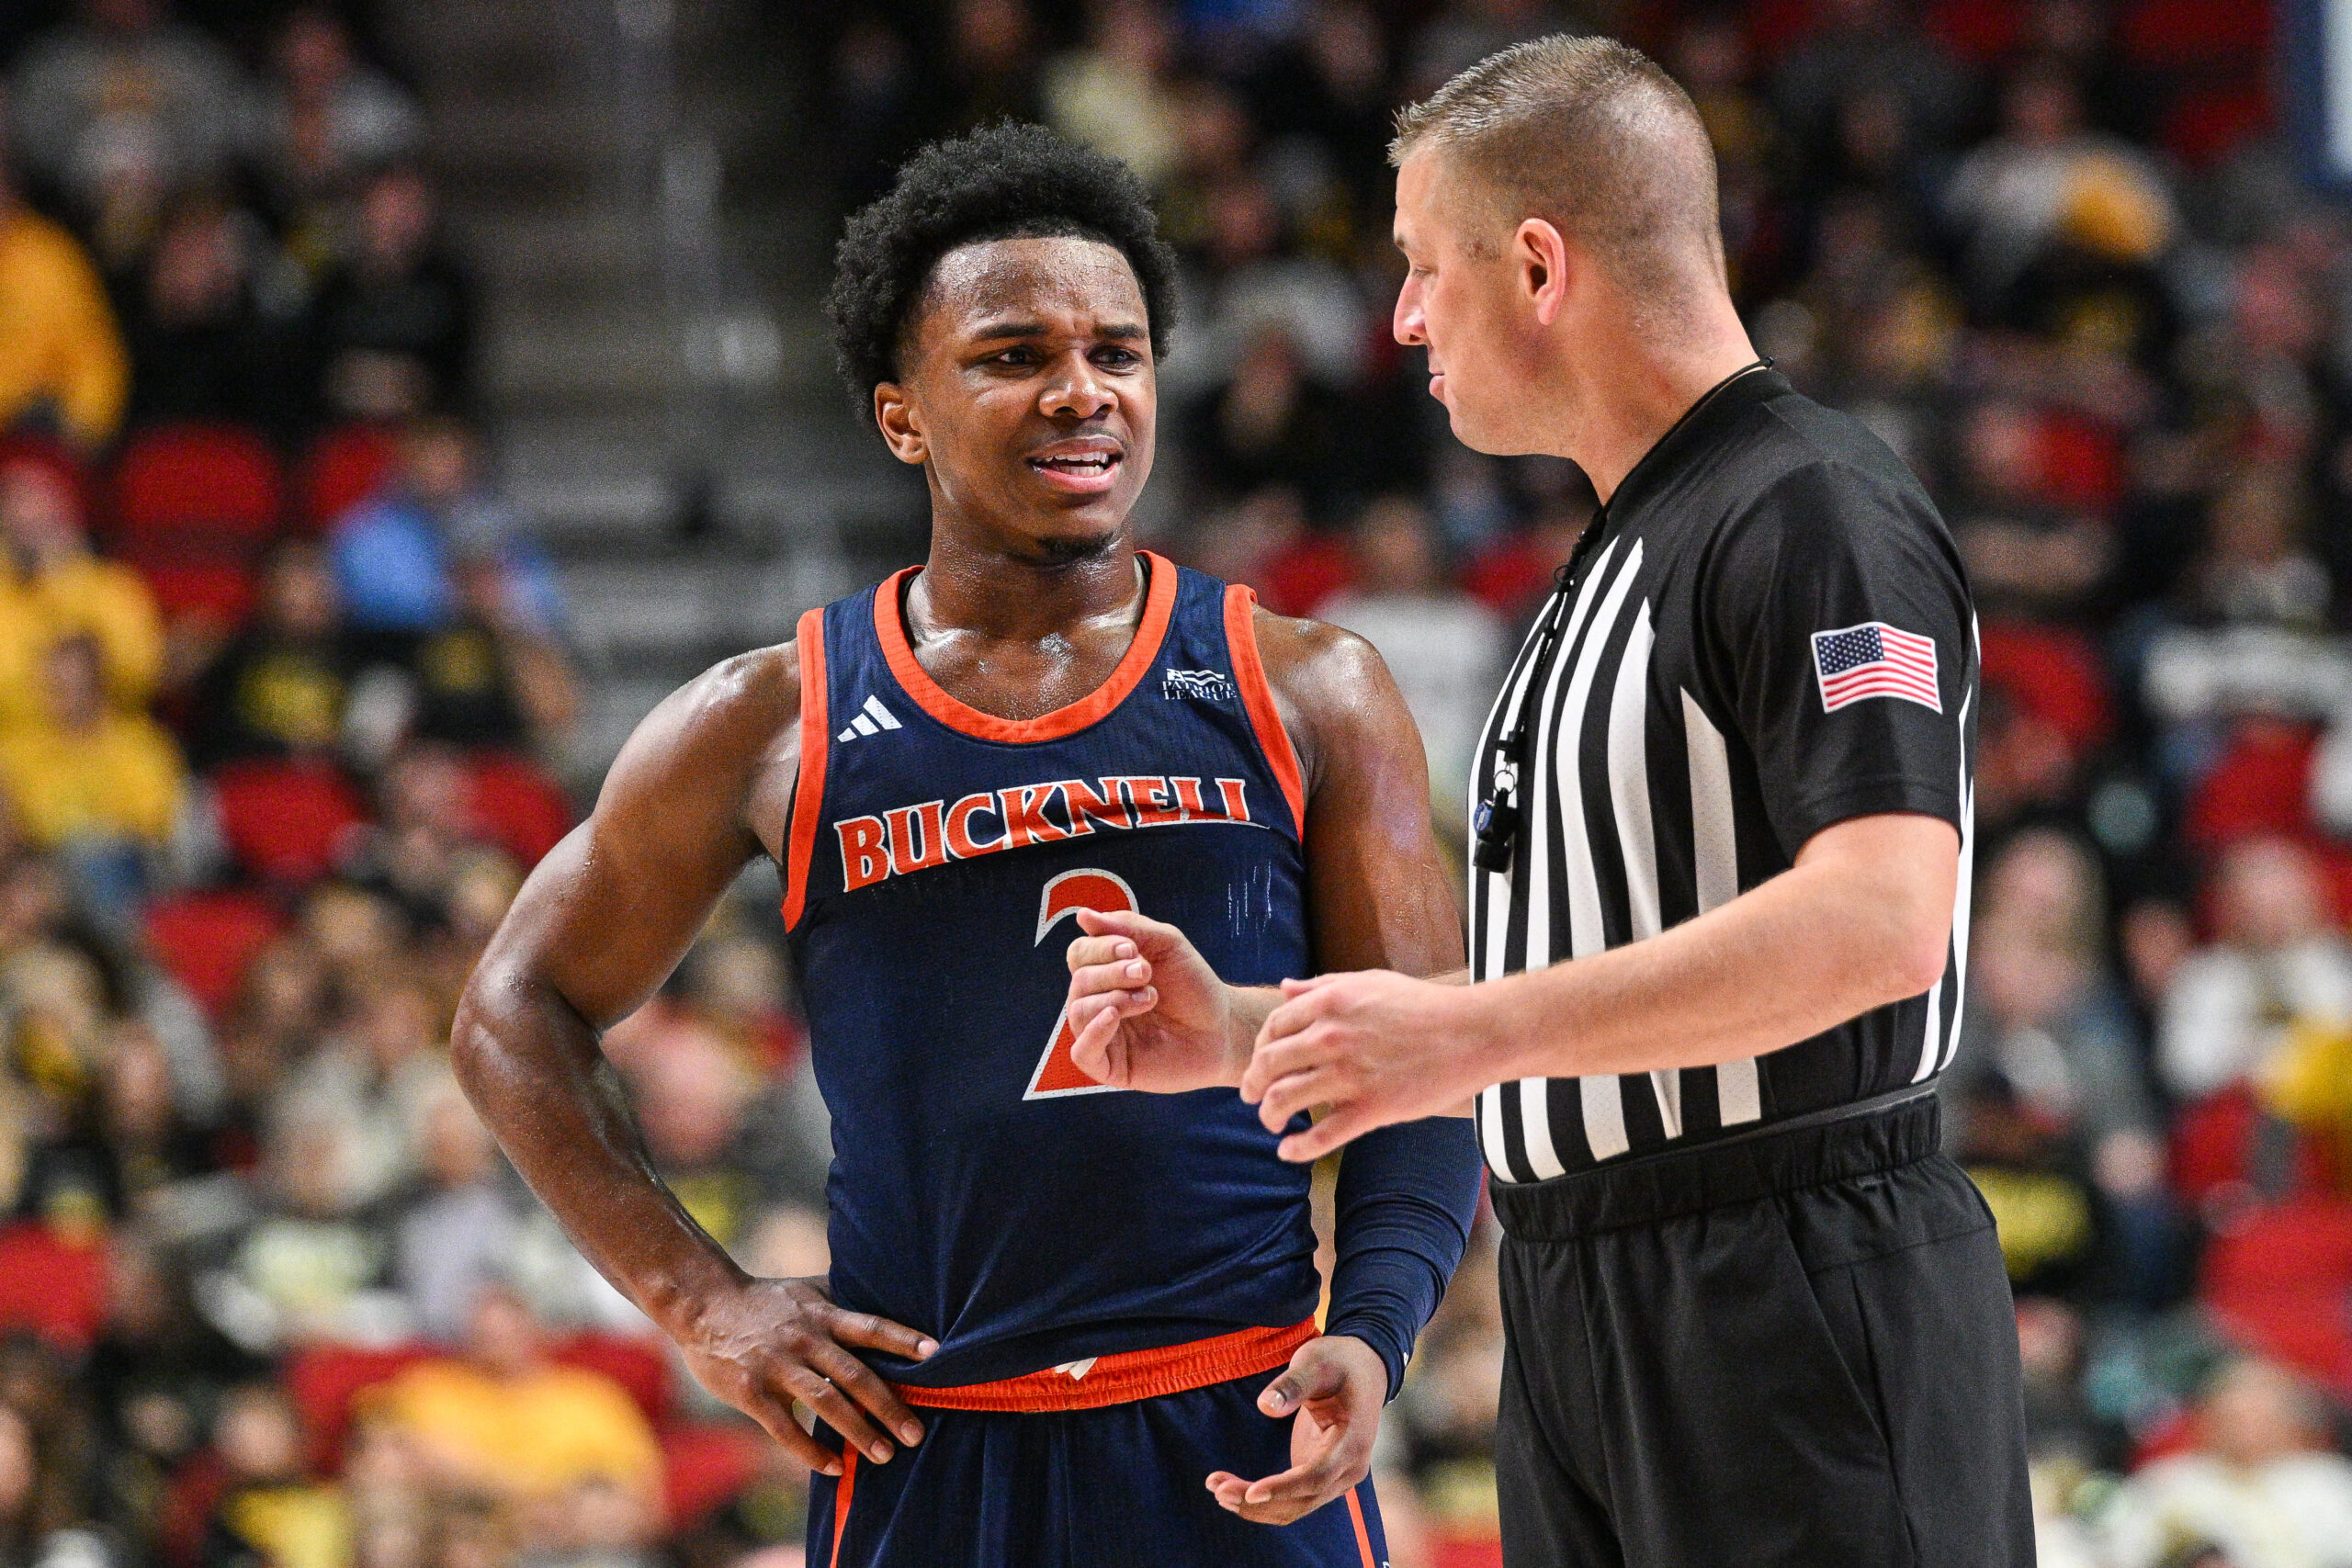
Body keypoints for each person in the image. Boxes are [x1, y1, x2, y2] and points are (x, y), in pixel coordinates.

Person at [451, 122, 1482, 1568]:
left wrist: (1376, 1331)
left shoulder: (1309, 685)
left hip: (1236, 1428)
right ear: (901, 417)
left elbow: (1428, 1064)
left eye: (1117, 354)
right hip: (925, 1447)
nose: (1082, 394)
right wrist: (706, 1304)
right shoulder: (774, 718)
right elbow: (511, 1011)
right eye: (1013, 356)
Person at [1065, 35, 2030, 1568]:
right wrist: (1261, 1033)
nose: (1400, 318)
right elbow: (1591, 968)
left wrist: (1458, 1038)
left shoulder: (1812, 510)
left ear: (1535, 265)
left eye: (1420, 267)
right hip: (1585, 1290)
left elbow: (1884, 920)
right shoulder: (1607, 558)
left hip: (1792, 1286)